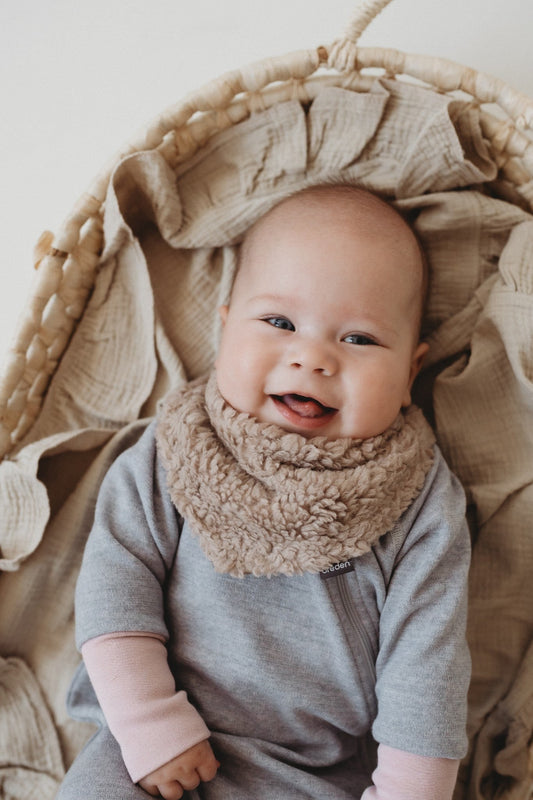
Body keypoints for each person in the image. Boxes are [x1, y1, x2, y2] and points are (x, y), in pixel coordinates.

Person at [58, 184, 471, 800]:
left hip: (317, 774)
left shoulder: (416, 498)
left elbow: (428, 664)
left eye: (359, 339)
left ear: (411, 372)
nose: (312, 357)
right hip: (151, 747)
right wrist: (148, 721)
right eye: (279, 323)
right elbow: (115, 580)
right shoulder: (178, 449)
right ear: (225, 329)